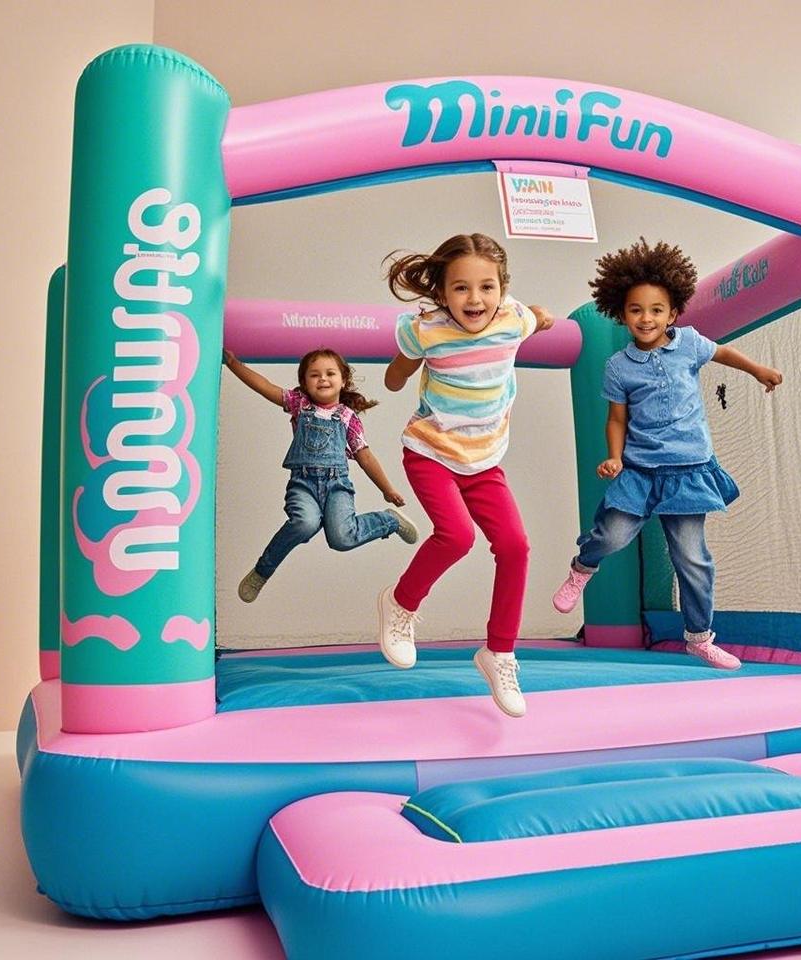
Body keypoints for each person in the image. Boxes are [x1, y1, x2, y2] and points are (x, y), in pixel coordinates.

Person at [552, 238, 783, 669]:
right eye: (636, 310)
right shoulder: (618, 366)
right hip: (640, 469)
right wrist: (615, 457)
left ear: (673, 313)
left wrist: (757, 370)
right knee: (612, 535)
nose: (646, 318)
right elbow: (616, 418)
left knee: (693, 559)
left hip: (688, 470)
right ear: (622, 314)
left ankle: (699, 637)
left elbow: (723, 352)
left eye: (656, 310)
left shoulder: (690, 343)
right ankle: (582, 567)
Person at [376, 233, 553, 718]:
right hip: (430, 451)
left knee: (515, 546)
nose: (475, 299)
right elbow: (395, 376)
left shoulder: (514, 319)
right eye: (461, 288)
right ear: (442, 292)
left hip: (484, 461)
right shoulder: (426, 330)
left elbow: (539, 316)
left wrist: (545, 318)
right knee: (456, 536)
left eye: (486, 287)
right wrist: (404, 368)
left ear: (502, 289)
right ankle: (400, 603)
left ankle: (499, 653)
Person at [223, 347, 418, 602]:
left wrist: (387, 489)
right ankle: (262, 570)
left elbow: (365, 456)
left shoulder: (348, 418)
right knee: (304, 523)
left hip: (337, 486)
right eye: (314, 375)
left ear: (343, 380)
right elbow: (264, 387)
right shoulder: (299, 404)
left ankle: (388, 521)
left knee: (342, 538)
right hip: (303, 484)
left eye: (330, 373)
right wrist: (234, 364)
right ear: (304, 382)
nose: (323, 379)